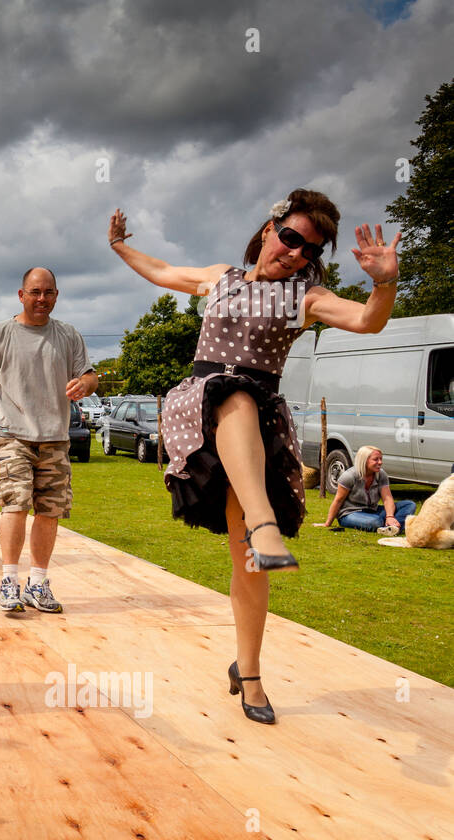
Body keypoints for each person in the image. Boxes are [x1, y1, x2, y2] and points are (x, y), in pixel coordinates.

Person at [108, 189, 402, 723]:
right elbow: (162, 269)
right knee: (232, 391)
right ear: (269, 230)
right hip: (200, 411)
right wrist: (119, 245)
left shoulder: (304, 298)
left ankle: (249, 671)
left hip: (257, 429)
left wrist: (384, 281)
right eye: (290, 237)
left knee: (247, 558)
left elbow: (368, 322)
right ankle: (262, 521)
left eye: (309, 249)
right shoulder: (220, 277)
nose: (295, 252)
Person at [0, 269, 97, 613]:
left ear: (57, 295)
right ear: (21, 295)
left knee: (50, 511)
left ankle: (38, 583)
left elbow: (89, 375)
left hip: (55, 438)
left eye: (48, 292)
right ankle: (8, 581)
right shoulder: (1, 335)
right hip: (11, 434)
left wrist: (86, 385)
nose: (41, 299)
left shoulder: (68, 335)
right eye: (35, 292)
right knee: (15, 504)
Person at [316, 446, 417, 534]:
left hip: (373, 511)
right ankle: (396, 526)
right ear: (364, 460)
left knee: (409, 505)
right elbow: (338, 501)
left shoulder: (381, 474)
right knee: (376, 522)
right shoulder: (349, 476)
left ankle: (391, 527)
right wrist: (327, 523)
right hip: (350, 514)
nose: (380, 462)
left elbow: (387, 498)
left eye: (381, 459)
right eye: (376, 459)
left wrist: (390, 516)